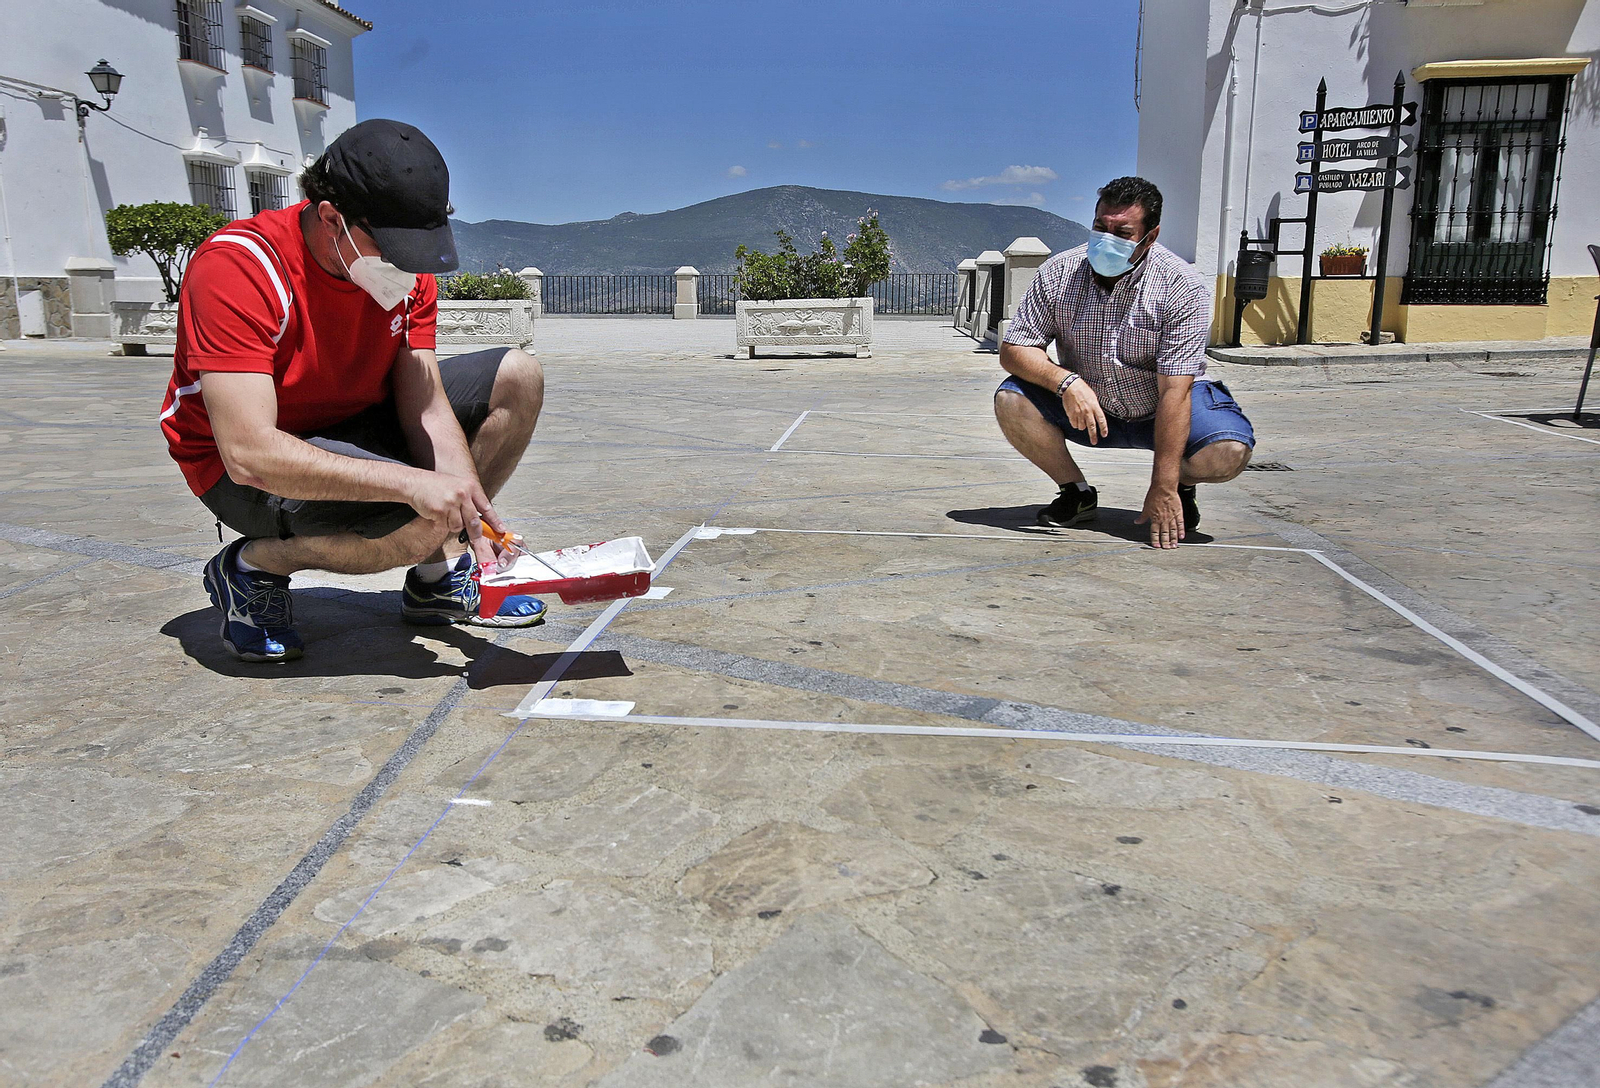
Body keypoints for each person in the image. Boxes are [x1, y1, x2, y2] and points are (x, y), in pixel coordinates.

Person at [160, 119, 546, 662]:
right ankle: (254, 566)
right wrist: (416, 490)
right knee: (421, 517)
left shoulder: (404, 273)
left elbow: (428, 406)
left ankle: (437, 577)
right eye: (390, 247)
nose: (404, 265)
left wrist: (464, 500)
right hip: (242, 462)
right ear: (330, 218)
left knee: (517, 376)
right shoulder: (239, 267)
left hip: (350, 425)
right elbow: (249, 452)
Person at [993, 176, 1255, 549]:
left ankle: (1182, 487)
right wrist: (1066, 382)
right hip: (1091, 408)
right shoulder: (1058, 272)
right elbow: (1015, 349)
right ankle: (1076, 493)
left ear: (1150, 236)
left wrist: (1163, 486)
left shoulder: (1182, 286)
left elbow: (1175, 393)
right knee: (1011, 399)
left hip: (1162, 408)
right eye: (1101, 227)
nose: (1107, 239)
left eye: (1123, 231)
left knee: (1228, 452)